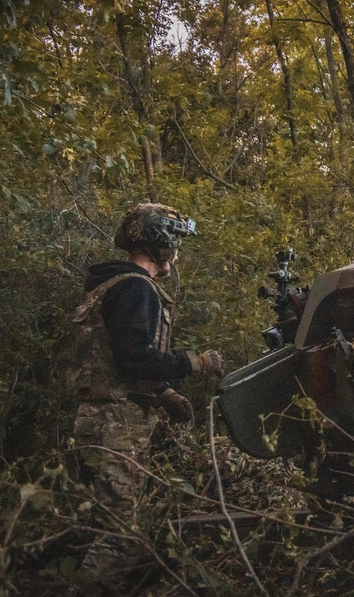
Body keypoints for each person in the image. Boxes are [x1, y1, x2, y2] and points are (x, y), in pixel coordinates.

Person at [70, 203, 223, 594]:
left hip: (100, 417)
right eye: (176, 242)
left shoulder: (116, 284)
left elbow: (114, 357)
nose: (178, 252)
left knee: (100, 523)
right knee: (120, 535)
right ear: (162, 240)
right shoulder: (135, 287)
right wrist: (192, 363)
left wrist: (163, 392)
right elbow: (135, 357)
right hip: (113, 424)